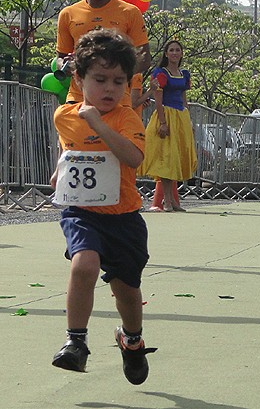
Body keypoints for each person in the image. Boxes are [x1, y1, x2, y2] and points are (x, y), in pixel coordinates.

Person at [50, 29, 155, 383]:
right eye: (100, 79)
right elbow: (71, 148)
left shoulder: (127, 118)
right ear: (79, 79)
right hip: (82, 213)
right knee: (85, 263)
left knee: (126, 292)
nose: (109, 89)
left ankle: (132, 339)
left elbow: (133, 157)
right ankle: (75, 343)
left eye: (118, 81)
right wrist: (60, 171)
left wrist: (97, 121)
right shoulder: (65, 115)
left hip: (123, 217)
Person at [56, 0, 151, 106]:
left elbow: (144, 59)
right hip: (78, 100)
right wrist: (66, 66)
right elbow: (60, 58)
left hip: (117, 102)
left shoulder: (130, 12)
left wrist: (113, 75)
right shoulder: (68, 13)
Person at [140, 40, 197, 212]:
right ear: (166, 53)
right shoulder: (160, 73)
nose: (174, 53)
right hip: (166, 114)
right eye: (171, 50)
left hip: (180, 116)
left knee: (177, 157)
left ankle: (173, 200)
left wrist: (189, 119)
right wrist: (163, 122)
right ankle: (167, 200)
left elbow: (184, 98)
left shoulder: (184, 74)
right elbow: (158, 98)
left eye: (177, 50)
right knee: (166, 157)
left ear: (181, 53)